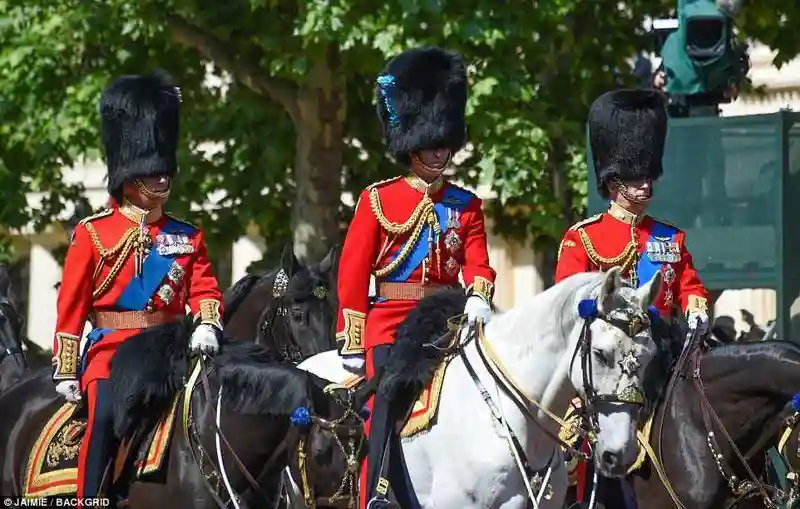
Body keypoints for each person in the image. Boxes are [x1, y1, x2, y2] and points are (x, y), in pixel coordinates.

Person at [334, 46, 497, 509]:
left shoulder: (465, 205)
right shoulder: (378, 200)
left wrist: (480, 293)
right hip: (389, 321)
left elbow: (478, 262)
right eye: (432, 144)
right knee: (386, 398)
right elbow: (353, 273)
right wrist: (352, 334)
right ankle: (378, 491)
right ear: (412, 143)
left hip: (446, 319)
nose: (440, 152)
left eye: (445, 143)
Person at [51, 70, 224, 501]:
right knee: (104, 417)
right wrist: (67, 367)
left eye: (165, 169)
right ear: (129, 174)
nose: (163, 178)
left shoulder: (186, 235)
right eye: (152, 170)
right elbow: (71, 308)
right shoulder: (93, 234)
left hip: (172, 349)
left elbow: (205, 289)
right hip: (112, 354)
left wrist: (206, 323)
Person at [555, 88, 710, 506]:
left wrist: (696, 310)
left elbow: (689, 285)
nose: (645, 186)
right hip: (611, 365)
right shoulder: (583, 238)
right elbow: (570, 308)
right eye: (635, 178)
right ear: (612, 180)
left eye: (647, 176)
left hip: (665, 360)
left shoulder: (669, 237)